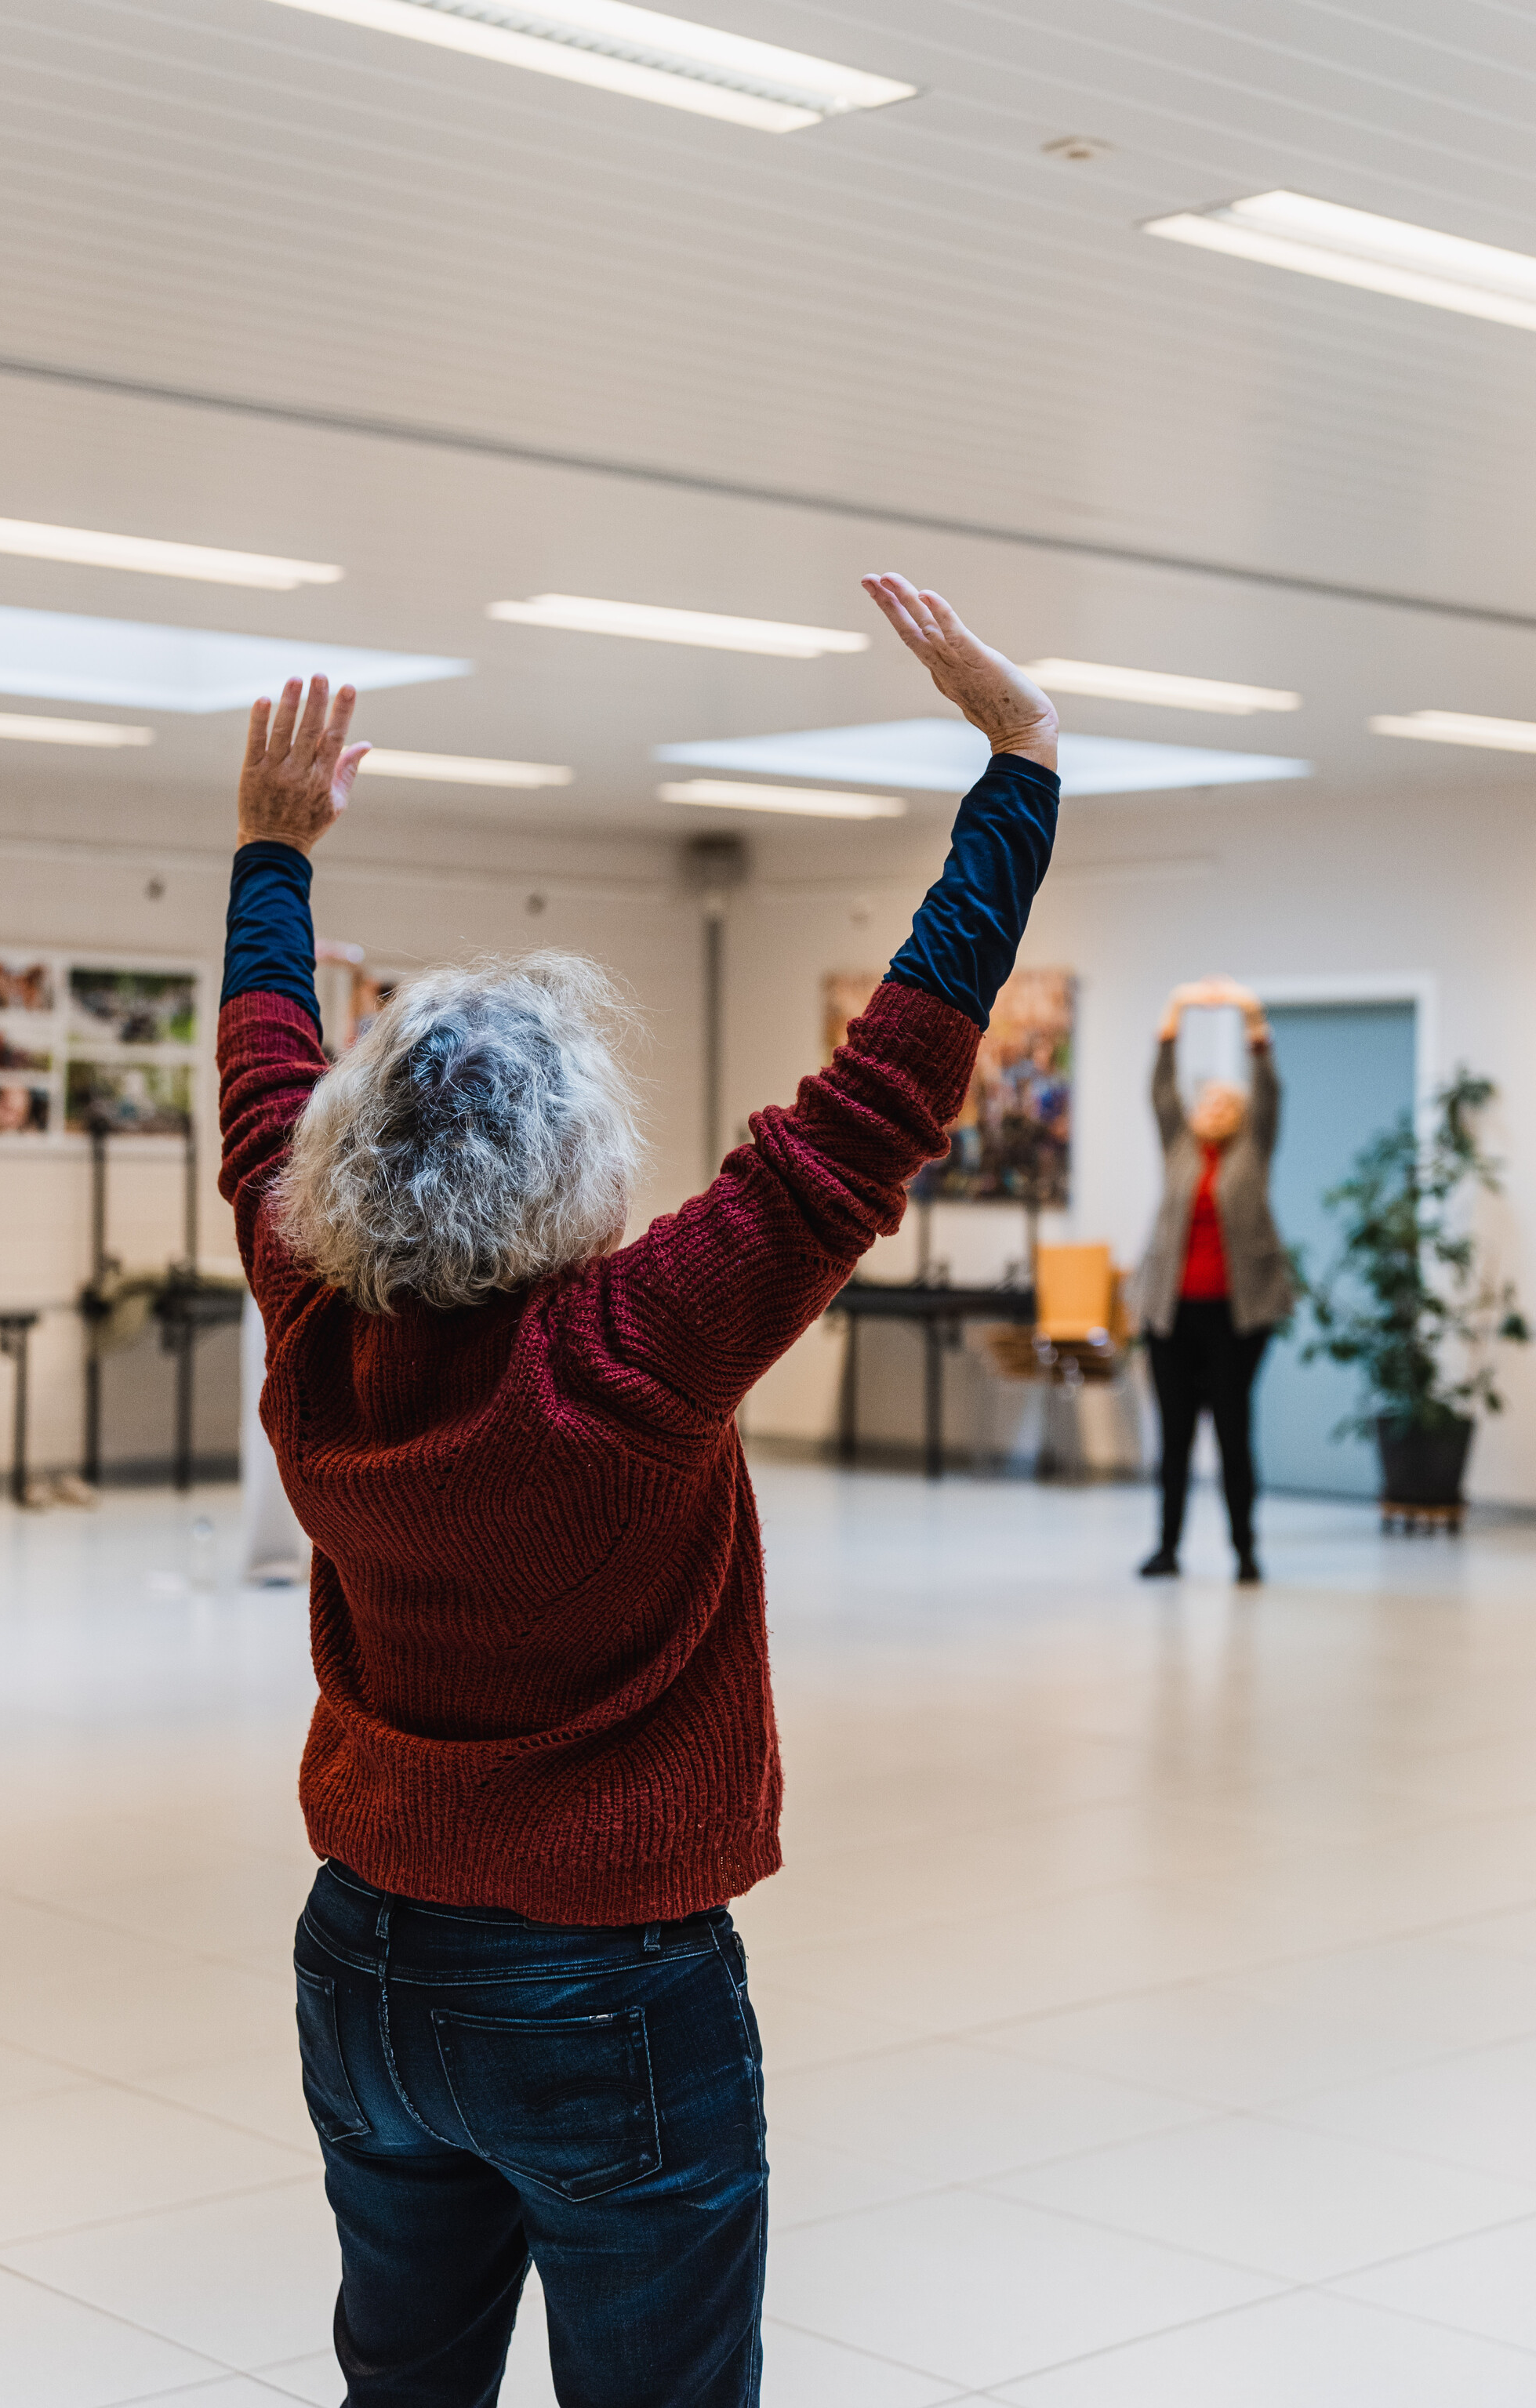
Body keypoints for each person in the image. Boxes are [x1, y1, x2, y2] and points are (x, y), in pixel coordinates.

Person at [216, 571, 1059, 2408]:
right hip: (602, 1988)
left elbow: (257, 1085)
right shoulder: (635, 1344)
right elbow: (883, 1086)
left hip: (362, 1953)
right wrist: (1019, 767)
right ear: (576, 1160)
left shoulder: (310, 1318)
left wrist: (269, 857)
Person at [1132, 977, 1295, 1585]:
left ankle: (1245, 1551)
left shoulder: (1255, 1148)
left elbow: (1270, 1089)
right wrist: (1174, 1010)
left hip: (1237, 1316)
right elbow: (1159, 1089)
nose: (1214, 1110)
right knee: (1174, 1436)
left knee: (1232, 1431)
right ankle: (1166, 1547)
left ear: (1241, 1116)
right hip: (1170, 1315)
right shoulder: (1177, 1144)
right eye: (1208, 1103)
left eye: (1227, 1105)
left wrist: (1252, 1018)